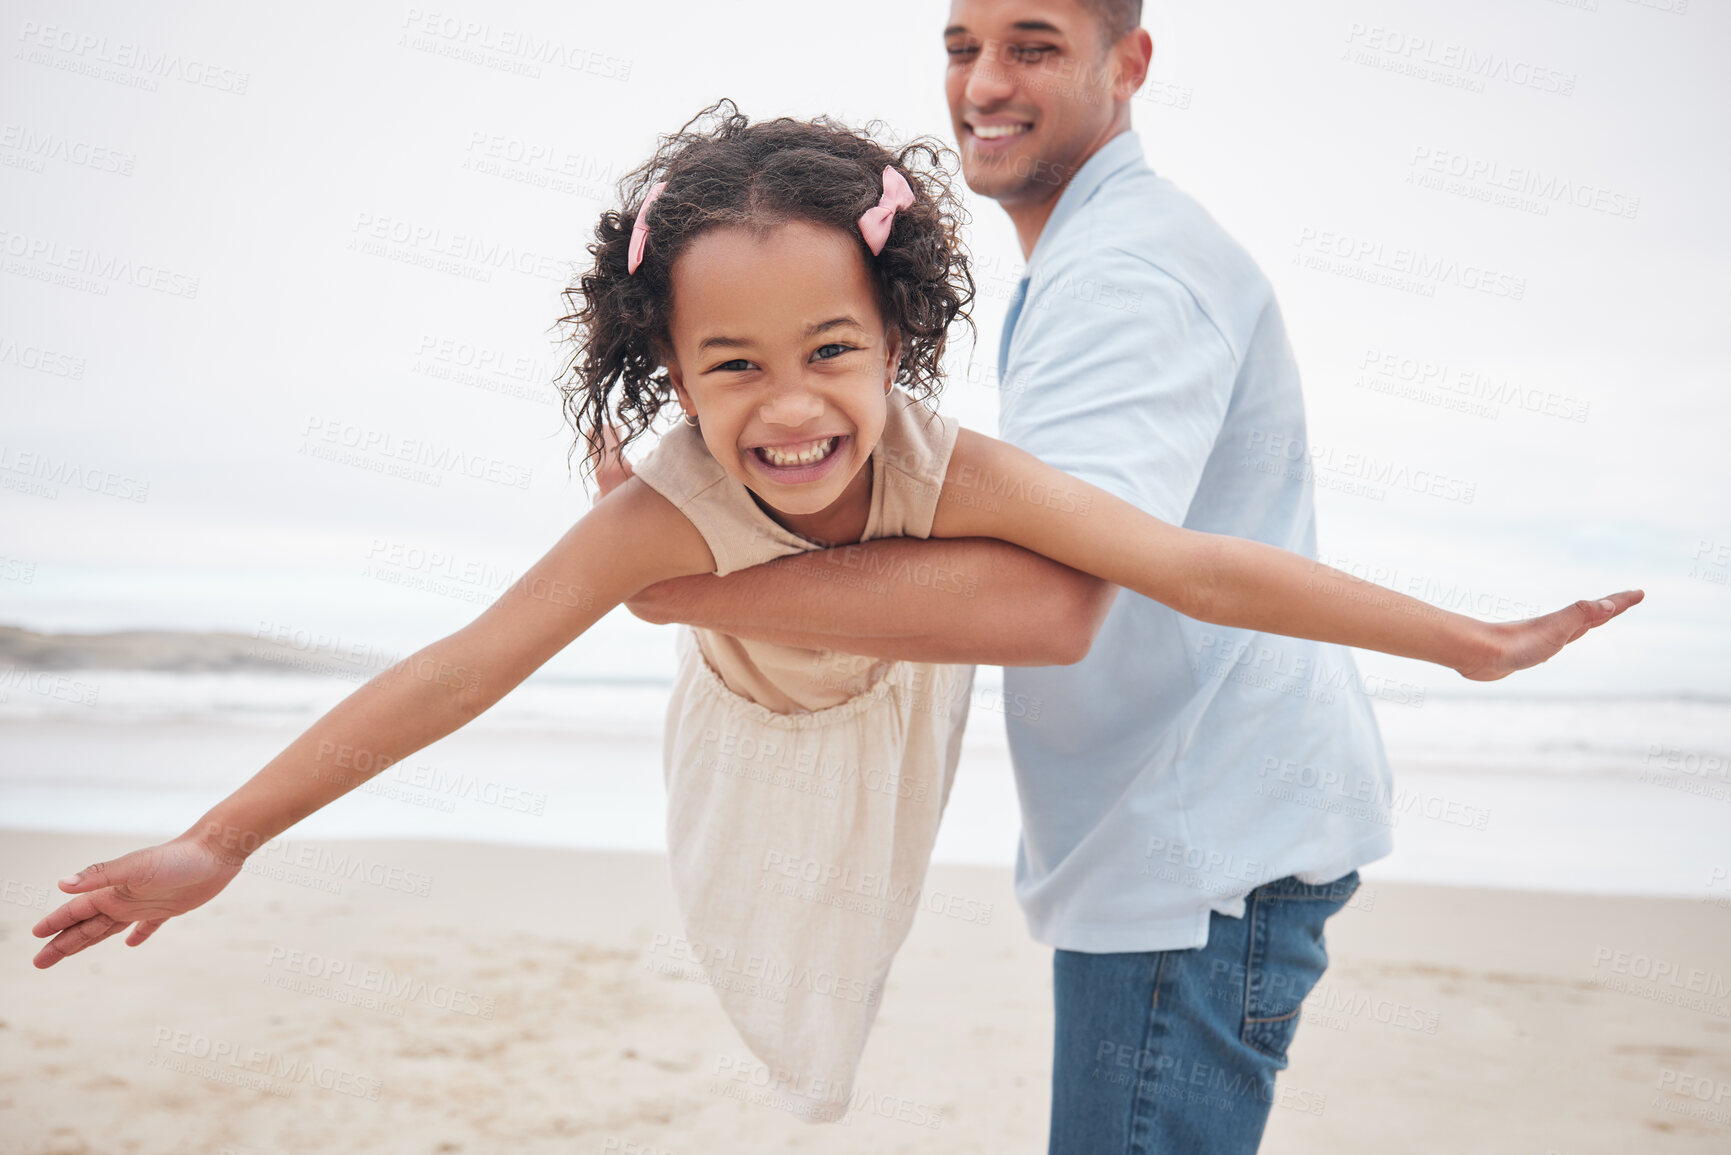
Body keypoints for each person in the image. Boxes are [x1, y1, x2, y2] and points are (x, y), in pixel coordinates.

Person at [33, 101, 1638, 1133]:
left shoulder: (959, 469)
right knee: (775, 961)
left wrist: (1466, 640)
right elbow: (459, 667)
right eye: (729, 367)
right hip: (746, 714)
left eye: (829, 350)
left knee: (859, 922)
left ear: (899, 338)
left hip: (889, 697)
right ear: (668, 371)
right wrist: (224, 836)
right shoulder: (654, 512)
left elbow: (1195, 564)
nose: (788, 408)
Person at [588, 2, 1639, 1150]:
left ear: (1130, 63)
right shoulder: (1101, 253)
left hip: (1195, 857)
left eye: (1033, 46)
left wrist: (685, 583)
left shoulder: (1121, 278)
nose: (984, 81)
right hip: (1188, 844)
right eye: (962, 47)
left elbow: (1053, 603)